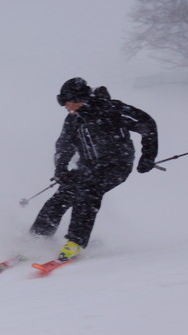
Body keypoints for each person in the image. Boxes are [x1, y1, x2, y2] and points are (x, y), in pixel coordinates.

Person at [29, 77, 158, 261]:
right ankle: (37, 238)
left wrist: (148, 157)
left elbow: (147, 125)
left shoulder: (112, 110)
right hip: (88, 167)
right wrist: (61, 170)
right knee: (62, 195)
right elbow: (64, 146)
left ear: (78, 98)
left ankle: (75, 241)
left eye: (66, 102)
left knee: (88, 192)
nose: (65, 106)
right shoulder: (73, 119)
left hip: (117, 165)